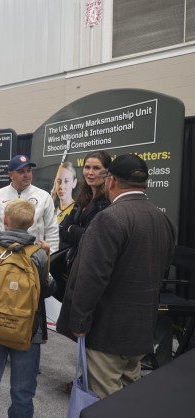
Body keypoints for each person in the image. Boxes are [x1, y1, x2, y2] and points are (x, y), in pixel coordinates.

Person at [56, 154, 175, 399]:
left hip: (107, 333)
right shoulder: (163, 220)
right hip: (140, 330)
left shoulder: (110, 218)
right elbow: (161, 269)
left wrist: (79, 322)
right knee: (128, 400)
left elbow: (92, 277)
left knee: (103, 403)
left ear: (111, 182)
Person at [0, 199, 56, 418]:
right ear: (31, 224)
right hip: (29, 332)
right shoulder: (38, 255)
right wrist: (47, 259)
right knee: (23, 392)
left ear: (5, 221)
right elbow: (48, 289)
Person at [0, 155, 58, 256]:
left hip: (33, 258)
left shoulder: (44, 197)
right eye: (21, 171)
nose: (26, 175)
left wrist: (52, 259)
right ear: (10, 175)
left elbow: (52, 230)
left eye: (29, 170)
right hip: (2, 257)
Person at [59, 151, 112, 262]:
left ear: (107, 172)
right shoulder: (83, 197)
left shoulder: (109, 201)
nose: (90, 172)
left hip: (95, 263)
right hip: (76, 261)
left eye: (96, 168)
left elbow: (95, 239)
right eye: (87, 167)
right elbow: (63, 231)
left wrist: (72, 229)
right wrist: (76, 231)